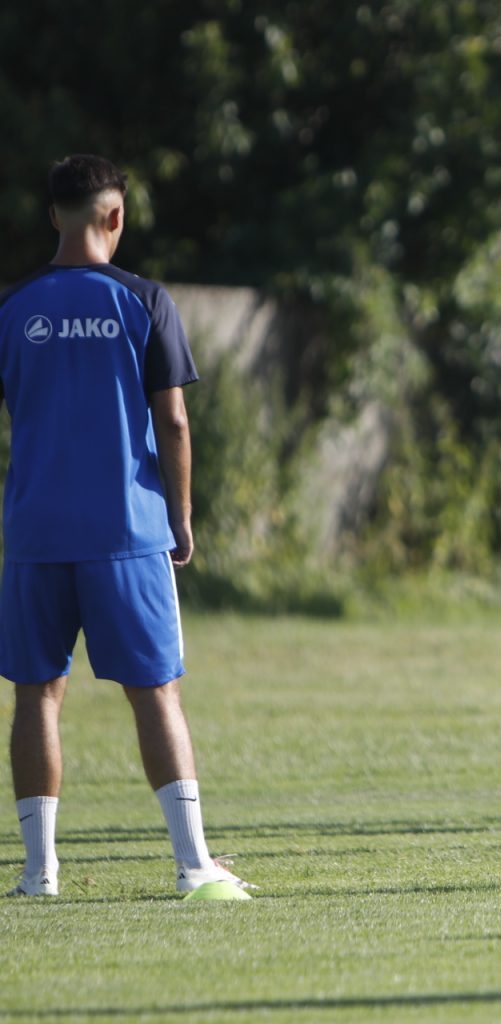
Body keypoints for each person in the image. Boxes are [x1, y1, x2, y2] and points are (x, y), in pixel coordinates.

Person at [0, 155, 250, 897]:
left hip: (35, 536)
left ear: (54, 215)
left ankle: (38, 873)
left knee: (36, 696)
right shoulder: (143, 299)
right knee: (155, 692)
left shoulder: (13, 307)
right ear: (115, 217)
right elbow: (173, 420)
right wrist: (182, 514)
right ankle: (193, 865)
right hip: (126, 532)